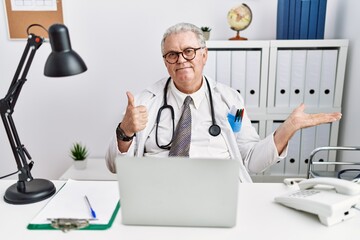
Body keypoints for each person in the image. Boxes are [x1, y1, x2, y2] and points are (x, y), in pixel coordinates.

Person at [105, 22, 342, 182]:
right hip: (156, 188)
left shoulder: (231, 102)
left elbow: (250, 159)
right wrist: (124, 131)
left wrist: (287, 129)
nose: (181, 60)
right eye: (172, 55)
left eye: (189, 51)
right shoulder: (146, 101)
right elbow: (116, 166)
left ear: (204, 54)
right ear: (166, 61)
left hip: (216, 189)